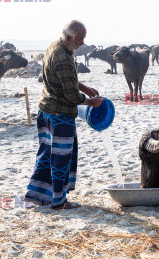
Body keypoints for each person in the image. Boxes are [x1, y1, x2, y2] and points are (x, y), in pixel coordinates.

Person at [24, 20, 104, 210]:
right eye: (80, 39)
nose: (83, 43)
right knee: (61, 159)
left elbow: (65, 79)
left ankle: (36, 196)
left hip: (44, 112)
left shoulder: (55, 46)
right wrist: (90, 102)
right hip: (60, 116)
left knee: (45, 155)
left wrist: (84, 87)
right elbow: (71, 95)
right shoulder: (64, 58)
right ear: (69, 38)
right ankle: (59, 202)